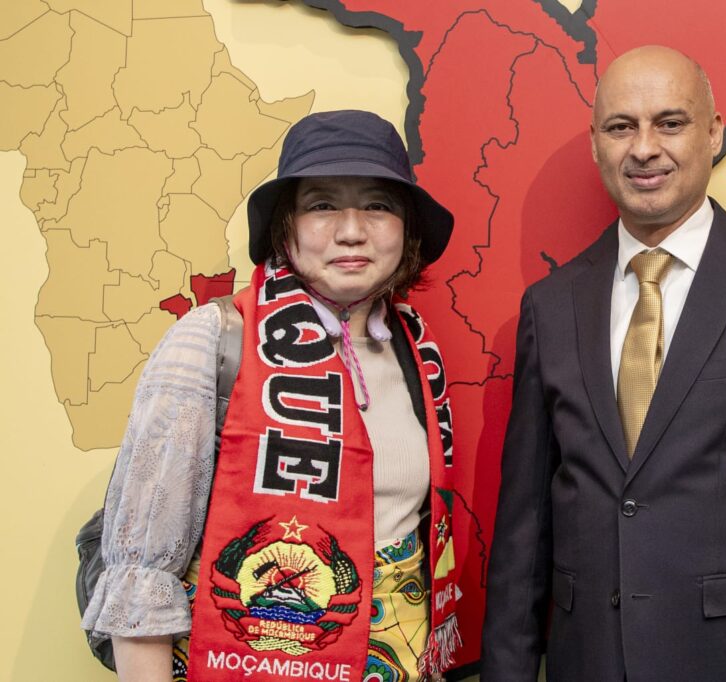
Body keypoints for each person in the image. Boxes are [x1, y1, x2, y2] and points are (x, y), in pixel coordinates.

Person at [481, 46, 726, 681]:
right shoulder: (551, 306)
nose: (644, 148)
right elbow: (523, 539)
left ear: (714, 132)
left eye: (670, 123)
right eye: (621, 127)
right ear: (596, 144)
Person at [82, 110, 462, 682]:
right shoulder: (215, 338)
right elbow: (142, 567)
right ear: (286, 226)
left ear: (406, 228)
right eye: (322, 205)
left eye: (378, 205)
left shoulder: (413, 347)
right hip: (241, 660)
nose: (352, 230)